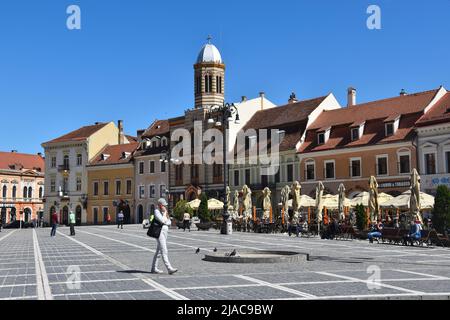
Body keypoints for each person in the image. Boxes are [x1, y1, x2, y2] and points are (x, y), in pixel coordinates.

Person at [151, 198, 177, 275]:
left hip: (165, 232)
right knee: (164, 250)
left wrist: (165, 219)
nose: (165, 206)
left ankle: (154, 268)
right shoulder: (157, 211)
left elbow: (169, 222)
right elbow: (162, 221)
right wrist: (165, 213)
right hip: (159, 232)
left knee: (159, 251)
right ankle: (169, 268)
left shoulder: (164, 212)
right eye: (164, 205)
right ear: (160, 205)